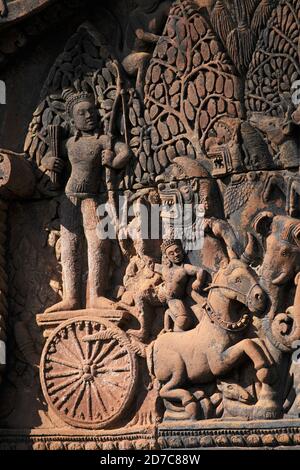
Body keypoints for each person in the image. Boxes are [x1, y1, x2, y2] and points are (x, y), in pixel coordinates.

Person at [42, 89, 131, 312]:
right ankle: (71, 298)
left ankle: (96, 295)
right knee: (70, 245)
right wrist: (49, 162)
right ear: (72, 119)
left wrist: (114, 160)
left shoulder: (103, 140)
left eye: (92, 111)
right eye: (82, 113)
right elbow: (47, 157)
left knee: (98, 242)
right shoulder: (69, 143)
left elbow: (125, 151)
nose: (89, 115)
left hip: (92, 198)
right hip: (70, 198)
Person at [160, 239, 206, 332]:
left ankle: (170, 316)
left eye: (177, 251)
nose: (176, 254)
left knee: (183, 321)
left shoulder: (184, 267)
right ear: (167, 257)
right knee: (183, 320)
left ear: (182, 250)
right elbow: (152, 267)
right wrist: (161, 288)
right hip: (168, 298)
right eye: (171, 253)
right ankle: (169, 314)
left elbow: (200, 271)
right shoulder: (165, 269)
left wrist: (198, 281)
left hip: (176, 299)